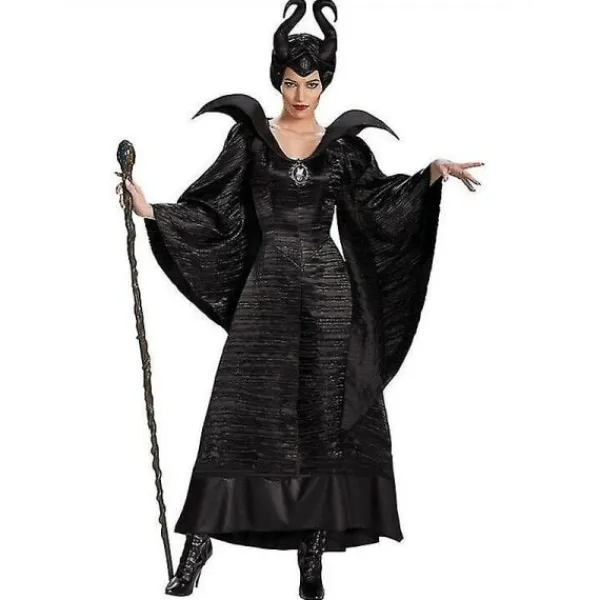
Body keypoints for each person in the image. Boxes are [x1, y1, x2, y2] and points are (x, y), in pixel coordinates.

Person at [115, 1, 484, 597]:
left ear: (324, 84)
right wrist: (153, 211)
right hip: (268, 292)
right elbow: (215, 209)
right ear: (278, 81)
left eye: (311, 84)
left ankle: (312, 556)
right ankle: (198, 548)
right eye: (291, 83)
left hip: (329, 296)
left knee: (323, 422)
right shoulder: (251, 140)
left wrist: (430, 175)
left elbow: (380, 204)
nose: (301, 95)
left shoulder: (343, 148)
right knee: (236, 415)